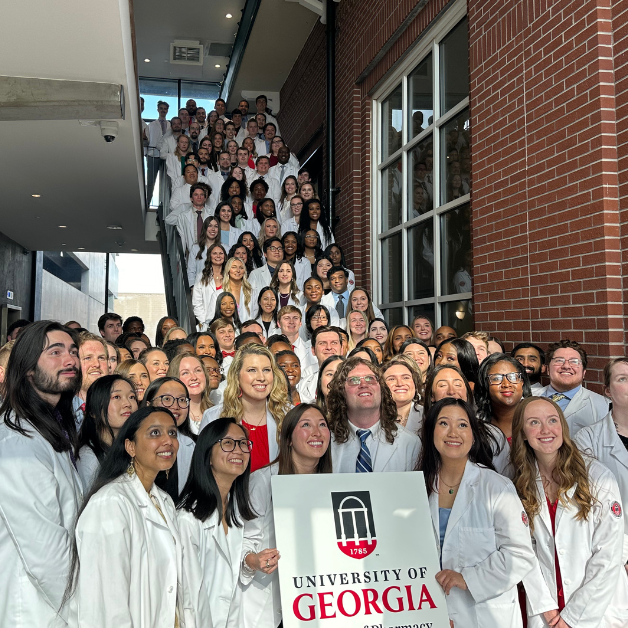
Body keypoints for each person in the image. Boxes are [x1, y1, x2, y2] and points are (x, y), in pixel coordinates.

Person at [417, 398, 537, 628]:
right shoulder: (417, 487)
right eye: (443, 423)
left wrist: (468, 579)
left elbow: (520, 553)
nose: (453, 432)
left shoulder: (496, 487)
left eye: (462, 425)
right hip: (431, 612)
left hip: (484, 615)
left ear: (473, 435)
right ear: (431, 432)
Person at [512, 396, 628, 627]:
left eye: (552, 420)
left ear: (562, 427)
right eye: (534, 422)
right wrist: (547, 608)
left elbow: (609, 554)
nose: (546, 429)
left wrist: (573, 618)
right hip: (549, 611)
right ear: (523, 433)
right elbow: (524, 551)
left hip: (597, 610)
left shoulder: (598, 477)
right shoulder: (521, 482)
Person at [66, 406, 183, 627]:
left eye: (173, 433)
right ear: (130, 446)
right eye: (155, 433)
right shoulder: (110, 503)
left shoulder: (164, 501)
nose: (168, 441)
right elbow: (106, 601)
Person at [0, 321, 83, 628]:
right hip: (36, 609)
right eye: (55, 351)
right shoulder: (16, 441)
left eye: (73, 351)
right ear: (28, 369)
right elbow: (45, 550)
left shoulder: (48, 429)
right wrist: (86, 610)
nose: (70, 360)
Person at [242, 404, 331, 628]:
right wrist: (255, 560)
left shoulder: (334, 484)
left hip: (322, 601)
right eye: (306, 425)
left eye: (322, 425)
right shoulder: (261, 481)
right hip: (271, 600)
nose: (317, 433)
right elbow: (241, 542)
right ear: (288, 438)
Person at [177, 417, 260, 628]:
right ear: (208, 455)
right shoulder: (188, 518)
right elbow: (186, 596)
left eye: (243, 443)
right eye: (228, 443)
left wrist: (252, 561)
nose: (239, 450)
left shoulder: (234, 509)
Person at [199, 344, 290, 472]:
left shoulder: (289, 415)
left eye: (266, 370)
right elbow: (202, 468)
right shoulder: (214, 417)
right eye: (252, 370)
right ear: (237, 375)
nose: (261, 378)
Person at [574, 357, 628, 562]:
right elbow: (591, 503)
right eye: (623, 379)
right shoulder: (587, 440)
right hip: (614, 552)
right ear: (607, 391)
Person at [326, 356, 421, 472]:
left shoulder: (409, 443)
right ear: (340, 392)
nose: (364, 384)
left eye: (370, 379)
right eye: (354, 380)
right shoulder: (326, 441)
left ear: (382, 389)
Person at [534, 339, 609, 432]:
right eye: (559, 360)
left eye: (574, 361)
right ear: (548, 369)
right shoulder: (528, 397)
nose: (566, 366)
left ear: (584, 372)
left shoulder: (603, 406)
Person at [77, 374, 137, 489]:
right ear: (93, 411)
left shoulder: (134, 450)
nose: (128, 404)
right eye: (116, 397)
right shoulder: (89, 459)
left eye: (131, 397)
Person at [144, 376, 196, 501]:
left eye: (182, 400)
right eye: (166, 399)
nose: (176, 406)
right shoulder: (133, 442)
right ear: (148, 404)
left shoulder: (197, 445)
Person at [475, 354, 530, 444]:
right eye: (496, 378)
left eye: (513, 377)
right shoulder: (475, 423)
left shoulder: (538, 416)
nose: (506, 384)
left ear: (522, 382)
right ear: (485, 385)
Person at [167, 352, 212, 436]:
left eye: (198, 370)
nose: (194, 377)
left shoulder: (218, 413)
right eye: (185, 373)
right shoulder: (172, 417)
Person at [166, 180, 212, 256]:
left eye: (201, 195)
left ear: (205, 198)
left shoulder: (212, 214)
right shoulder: (183, 216)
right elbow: (182, 238)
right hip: (191, 254)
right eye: (196, 195)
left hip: (209, 253)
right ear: (191, 198)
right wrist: (181, 258)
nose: (199, 197)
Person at [383, 354, 424, 434]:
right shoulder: (373, 418)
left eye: (406, 378)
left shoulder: (429, 415)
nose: (399, 383)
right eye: (391, 379)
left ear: (415, 384)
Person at [75, 332, 109, 426]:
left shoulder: (120, 406)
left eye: (101, 358)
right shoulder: (59, 410)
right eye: (88, 358)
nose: (96, 364)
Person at [192, 243, 227, 327]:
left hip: (227, 321)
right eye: (214, 253)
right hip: (207, 323)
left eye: (221, 253)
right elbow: (197, 303)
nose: (218, 256)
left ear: (225, 256)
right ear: (209, 256)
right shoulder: (201, 276)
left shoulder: (229, 274)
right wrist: (205, 322)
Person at [276, 305, 316, 371]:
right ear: (279, 324)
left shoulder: (311, 350)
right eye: (286, 318)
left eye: (295, 318)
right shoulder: (270, 349)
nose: (291, 322)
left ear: (300, 323)